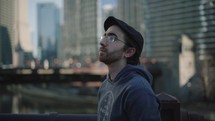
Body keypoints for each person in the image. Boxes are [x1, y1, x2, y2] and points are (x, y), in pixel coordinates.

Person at [97, 16, 161, 121]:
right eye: (104, 36)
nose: (102, 42)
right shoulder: (105, 85)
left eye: (112, 38)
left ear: (129, 52)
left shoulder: (138, 90)